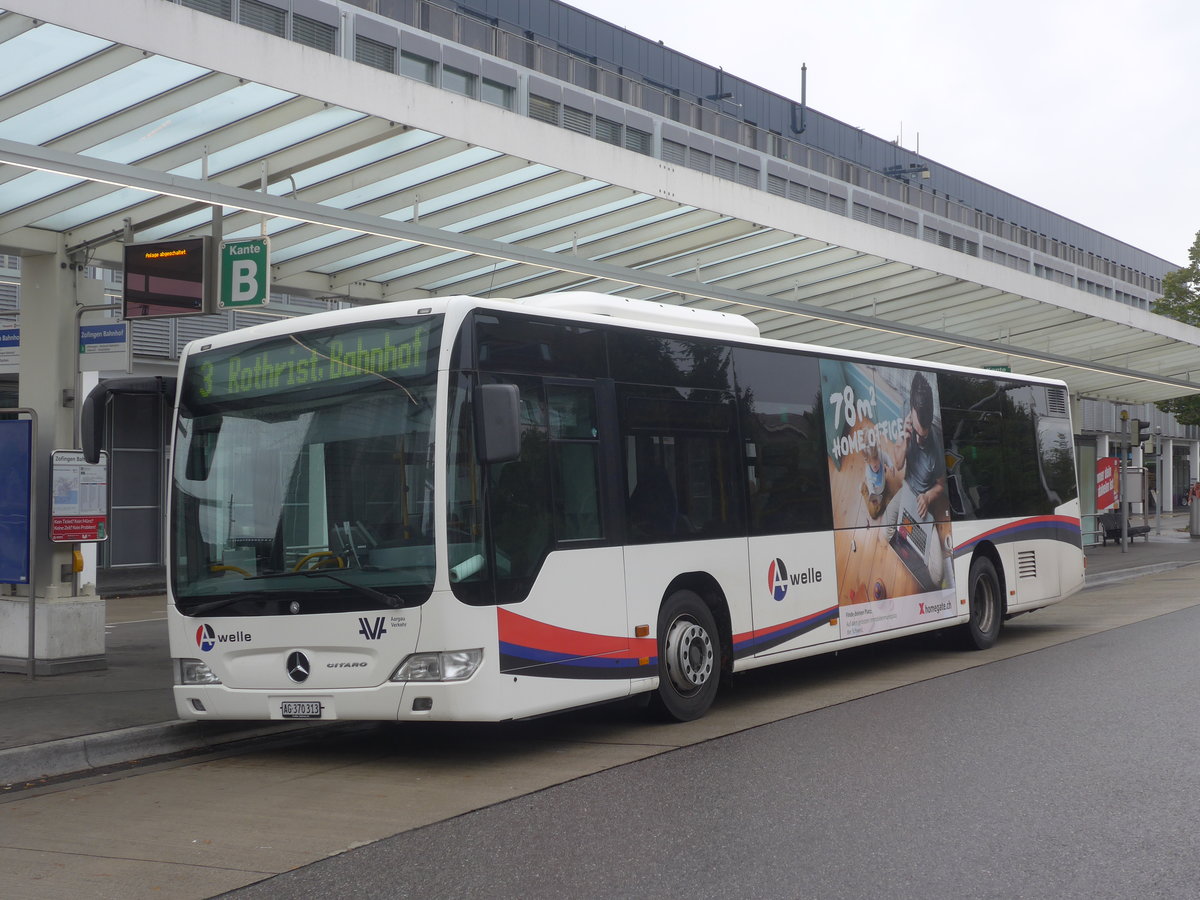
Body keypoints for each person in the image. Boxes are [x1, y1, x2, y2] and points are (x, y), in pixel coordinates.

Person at [881, 372, 947, 587]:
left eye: (924, 434)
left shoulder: (935, 445)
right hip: (907, 489)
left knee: (937, 575)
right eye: (918, 432)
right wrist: (905, 439)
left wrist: (928, 497)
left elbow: (940, 484)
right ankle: (913, 557)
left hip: (924, 502)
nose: (921, 438)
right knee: (886, 530)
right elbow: (898, 464)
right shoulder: (906, 416)